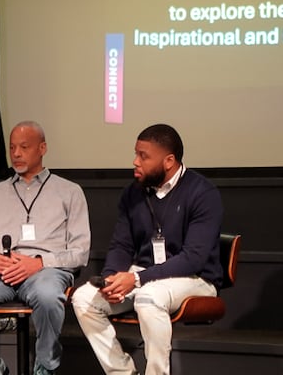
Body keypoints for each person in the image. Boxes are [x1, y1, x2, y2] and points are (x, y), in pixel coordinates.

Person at [71, 123, 223, 375]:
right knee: (84, 299)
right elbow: (122, 244)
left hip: (196, 278)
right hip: (146, 275)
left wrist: (137, 279)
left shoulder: (203, 193)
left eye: (144, 156)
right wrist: (111, 279)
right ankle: (122, 372)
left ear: (169, 161)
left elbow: (194, 259)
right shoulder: (133, 193)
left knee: (148, 296)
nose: (135, 161)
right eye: (135, 153)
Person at [0, 120, 91, 375]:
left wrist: (40, 263)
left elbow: (80, 252)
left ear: (42, 148)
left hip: (46, 271)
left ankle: (45, 366)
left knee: (48, 296)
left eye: (24, 147)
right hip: (0, 271)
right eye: (12, 148)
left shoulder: (70, 192)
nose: (17, 154)